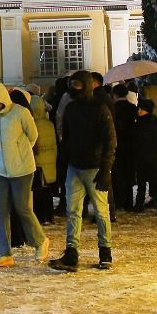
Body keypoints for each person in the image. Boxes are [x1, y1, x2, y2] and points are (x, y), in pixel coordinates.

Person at [49, 70, 115, 271]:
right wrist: (63, 164)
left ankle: (105, 251)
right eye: (71, 84)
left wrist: (105, 169)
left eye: (77, 84)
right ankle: (71, 252)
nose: (73, 88)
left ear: (86, 86)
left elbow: (110, 141)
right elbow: (66, 139)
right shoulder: (71, 108)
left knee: (101, 211)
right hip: (75, 166)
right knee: (73, 211)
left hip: (95, 167)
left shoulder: (100, 108)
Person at [0, 83, 48, 267]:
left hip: (22, 169)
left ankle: (40, 240)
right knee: (1, 211)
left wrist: (21, 153)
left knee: (23, 208)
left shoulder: (21, 112)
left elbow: (33, 135)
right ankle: (4, 253)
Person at [132, 97, 157, 214]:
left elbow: (135, 141)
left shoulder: (140, 124)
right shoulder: (154, 123)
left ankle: (140, 204)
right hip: (151, 157)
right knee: (153, 180)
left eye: (141, 109)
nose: (139, 111)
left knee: (142, 181)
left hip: (144, 157)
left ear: (146, 110)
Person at [30, 87, 58, 225]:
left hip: (38, 163)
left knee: (38, 191)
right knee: (47, 191)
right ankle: (49, 215)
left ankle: (40, 216)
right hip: (50, 163)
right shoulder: (49, 124)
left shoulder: (32, 125)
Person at [110, 83, 139, 212]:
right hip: (130, 144)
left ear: (114, 95)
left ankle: (118, 201)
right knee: (129, 173)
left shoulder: (112, 108)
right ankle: (128, 202)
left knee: (117, 173)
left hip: (117, 144)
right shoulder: (132, 108)